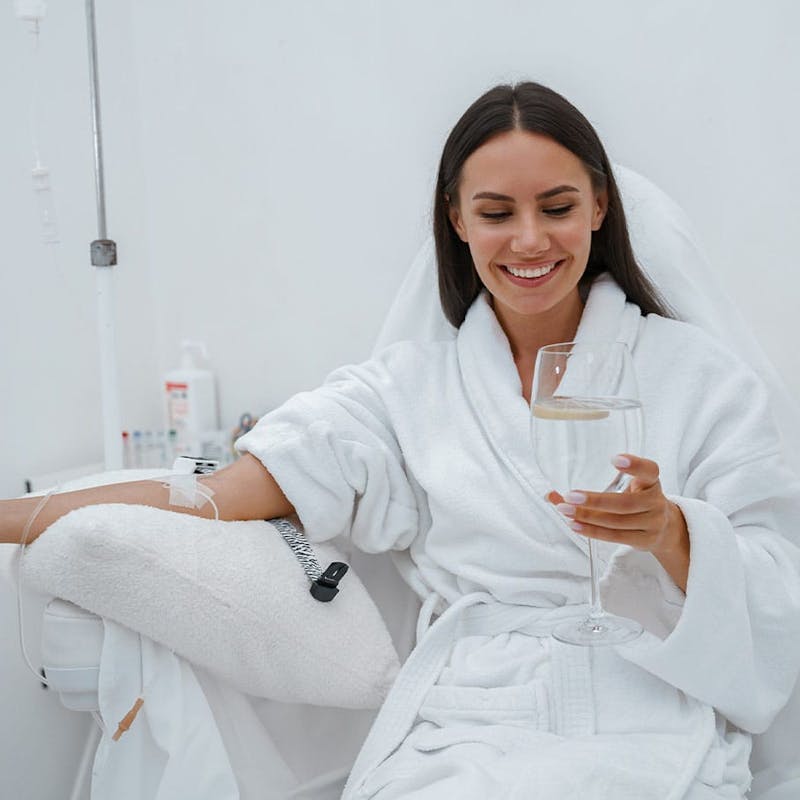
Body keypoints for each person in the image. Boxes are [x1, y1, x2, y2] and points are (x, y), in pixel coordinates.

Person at [2, 81, 800, 799]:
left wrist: (673, 535)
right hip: (473, 713)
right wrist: (12, 516)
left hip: (646, 696)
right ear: (458, 220)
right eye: (497, 214)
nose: (529, 241)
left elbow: (775, 583)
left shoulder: (700, 376)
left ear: (598, 206)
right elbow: (215, 495)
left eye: (557, 208)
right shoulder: (406, 390)